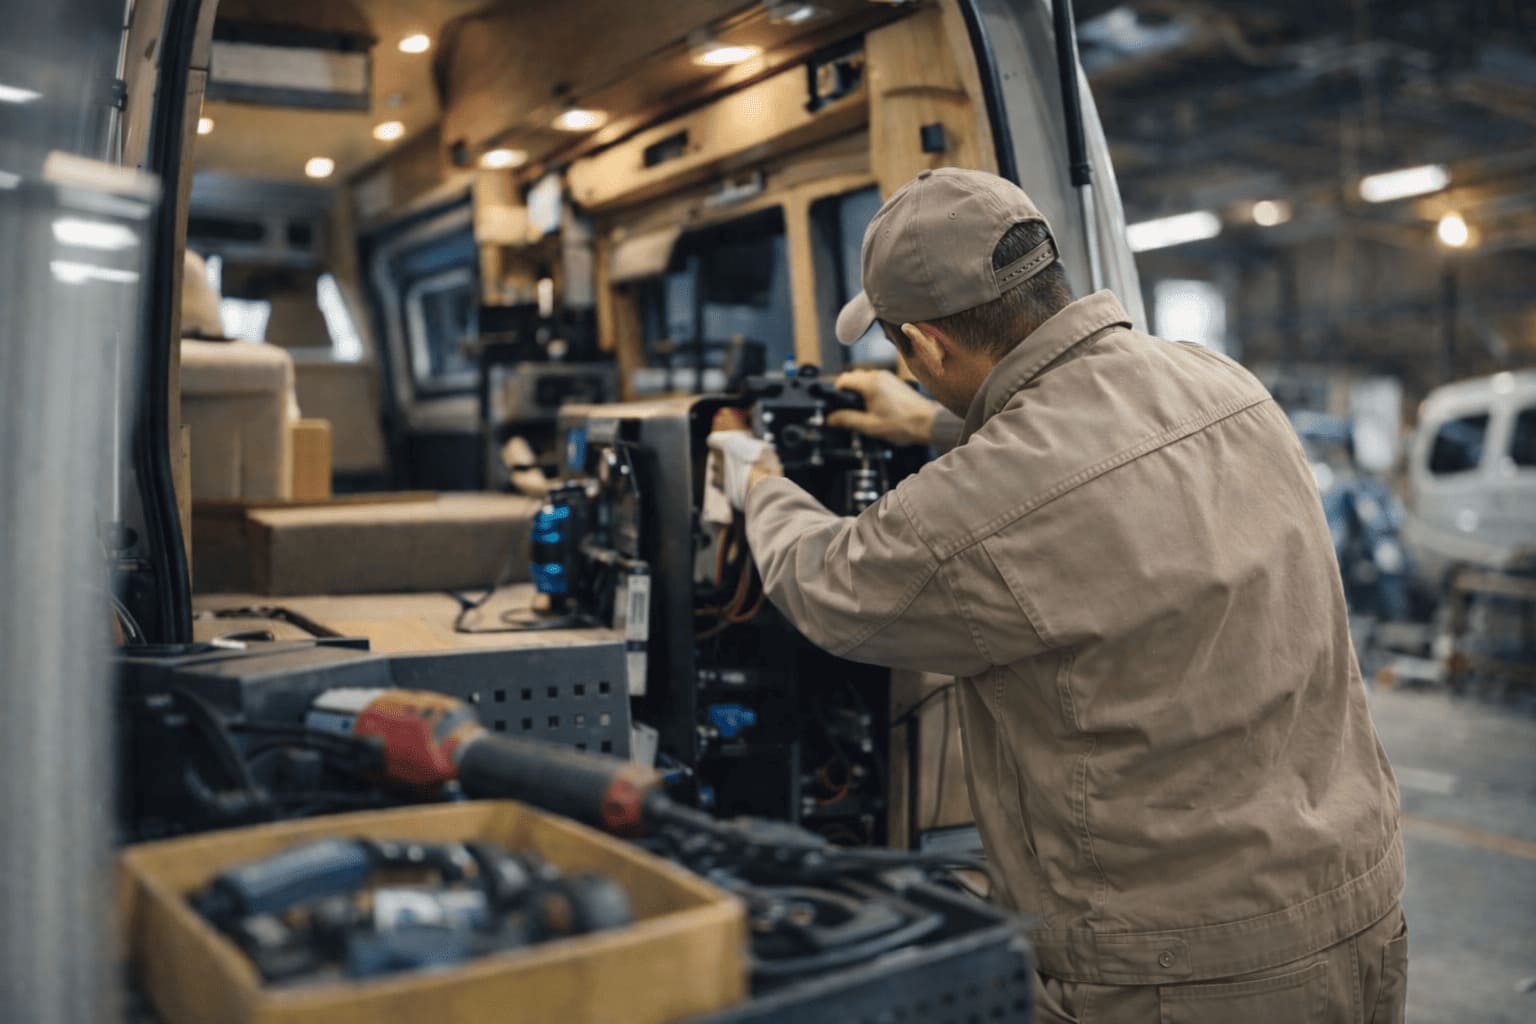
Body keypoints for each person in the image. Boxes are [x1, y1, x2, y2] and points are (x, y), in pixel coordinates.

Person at [707, 168, 1407, 1023]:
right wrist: (932, 422)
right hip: (1359, 902)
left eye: (905, 355)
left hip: (1182, 972)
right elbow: (1092, 458)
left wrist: (755, 476)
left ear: (927, 346)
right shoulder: (1224, 383)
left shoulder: (974, 508)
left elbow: (825, 582)